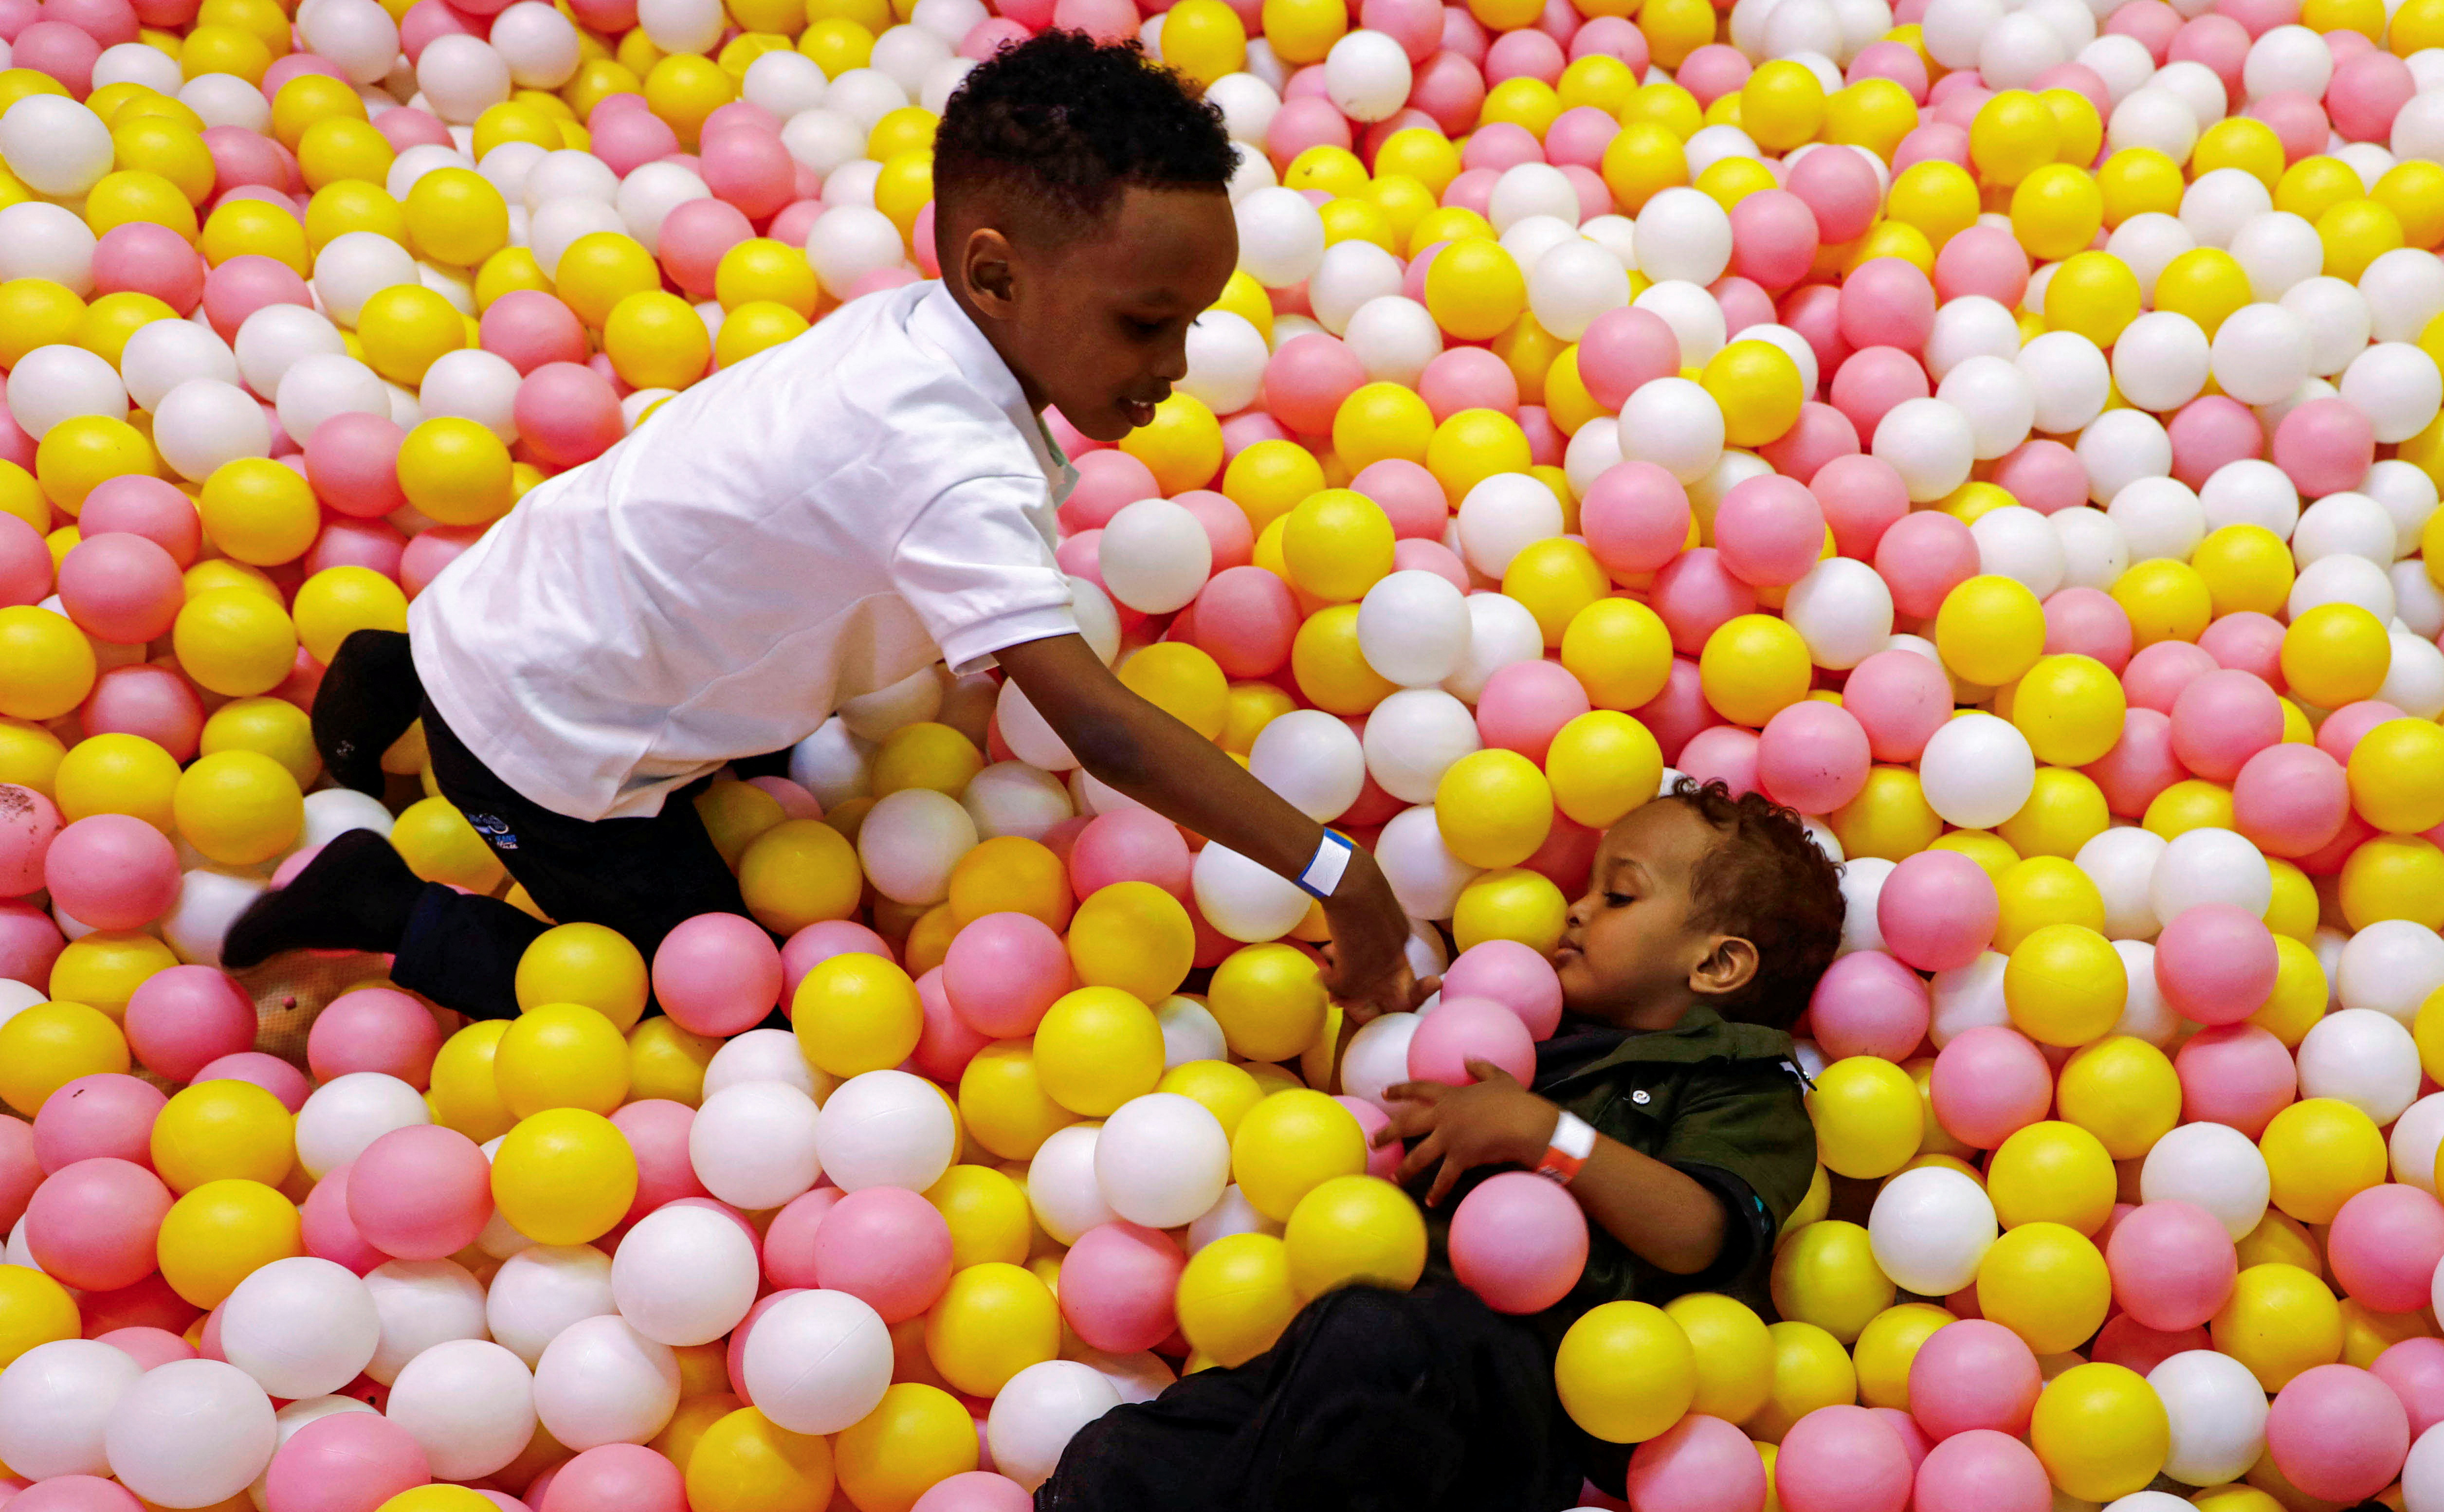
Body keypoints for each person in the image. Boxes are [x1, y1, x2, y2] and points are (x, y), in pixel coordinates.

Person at [221, 31, 1416, 1024]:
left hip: (528, 594)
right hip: (545, 731)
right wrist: (1340, 875)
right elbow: (1103, 729)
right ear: (996, 276)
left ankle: (390, 671)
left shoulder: (923, 326)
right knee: (700, 993)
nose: (1175, 366)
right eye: (1145, 324)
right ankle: (384, 905)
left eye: (1189, 325)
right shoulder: (943, 463)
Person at [1039, 778, 1845, 1512]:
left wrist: (1546, 1135)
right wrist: (1383, 1038)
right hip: (1358, 1355)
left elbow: (1700, 1231)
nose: (1576, 909)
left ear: (1717, 964)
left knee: (1372, 1338)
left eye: (1619, 895)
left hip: (1526, 1389)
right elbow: (1385, 1141)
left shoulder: (1741, 1081)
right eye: (1587, 887)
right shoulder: (1524, 1027)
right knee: (1118, 1453)